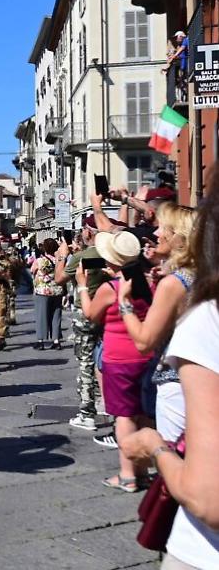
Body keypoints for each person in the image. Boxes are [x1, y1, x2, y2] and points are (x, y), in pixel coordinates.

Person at [120, 177, 219, 568]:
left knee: (180, 447)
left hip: (204, 551)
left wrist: (153, 447)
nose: (152, 232)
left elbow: (144, 341)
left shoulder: (197, 303)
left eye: (161, 226)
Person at [74, 230, 152, 492]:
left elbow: (90, 315)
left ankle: (128, 474)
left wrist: (83, 285)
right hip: (147, 354)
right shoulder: (150, 281)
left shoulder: (111, 289)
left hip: (119, 358)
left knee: (124, 417)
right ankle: (142, 469)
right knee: (143, 414)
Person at [118, 203, 196, 444]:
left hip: (174, 378)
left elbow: (144, 341)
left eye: (164, 228)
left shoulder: (174, 282)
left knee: (174, 455)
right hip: (200, 377)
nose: (157, 234)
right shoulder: (200, 274)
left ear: (179, 237)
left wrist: (124, 303)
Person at [56, 216, 111, 431]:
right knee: (103, 357)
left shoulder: (84, 256)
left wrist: (62, 256)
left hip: (85, 310)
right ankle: (103, 401)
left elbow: (59, 278)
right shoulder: (109, 254)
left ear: (88, 232)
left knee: (86, 360)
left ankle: (87, 412)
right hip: (107, 309)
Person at [31, 238, 65, 350]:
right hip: (57, 290)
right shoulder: (59, 260)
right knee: (56, 316)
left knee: (41, 315)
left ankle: (40, 341)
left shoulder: (39, 261)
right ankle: (56, 341)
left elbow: (33, 271)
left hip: (42, 291)